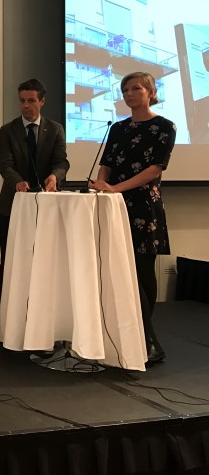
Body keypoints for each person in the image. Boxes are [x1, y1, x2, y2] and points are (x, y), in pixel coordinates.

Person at [90, 72, 175, 366]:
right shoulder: (118, 128)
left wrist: (116, 188)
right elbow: (106, 164)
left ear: (150, 92)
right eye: (125, 89)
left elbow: (155, 169)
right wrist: (101, 186)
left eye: (135, 88)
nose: (129, 94)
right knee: (118, 269)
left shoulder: (164, 126)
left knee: (142, 270)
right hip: (113, 204)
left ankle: (146, 339)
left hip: (143, 207)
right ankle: (131, 335)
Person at [0, 78, 68, 303]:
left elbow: (62, 162)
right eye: (22, 101)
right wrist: (17, 182)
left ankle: (42, 311)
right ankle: (6, 314)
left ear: (42, 101)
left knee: (45, 261)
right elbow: (6, 165)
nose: (26, 105)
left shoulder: (55, 129)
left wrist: (55, 176)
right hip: (12, 206)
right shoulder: (8, 130)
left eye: (31, 101)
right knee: (11, 260)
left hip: (46, 206)